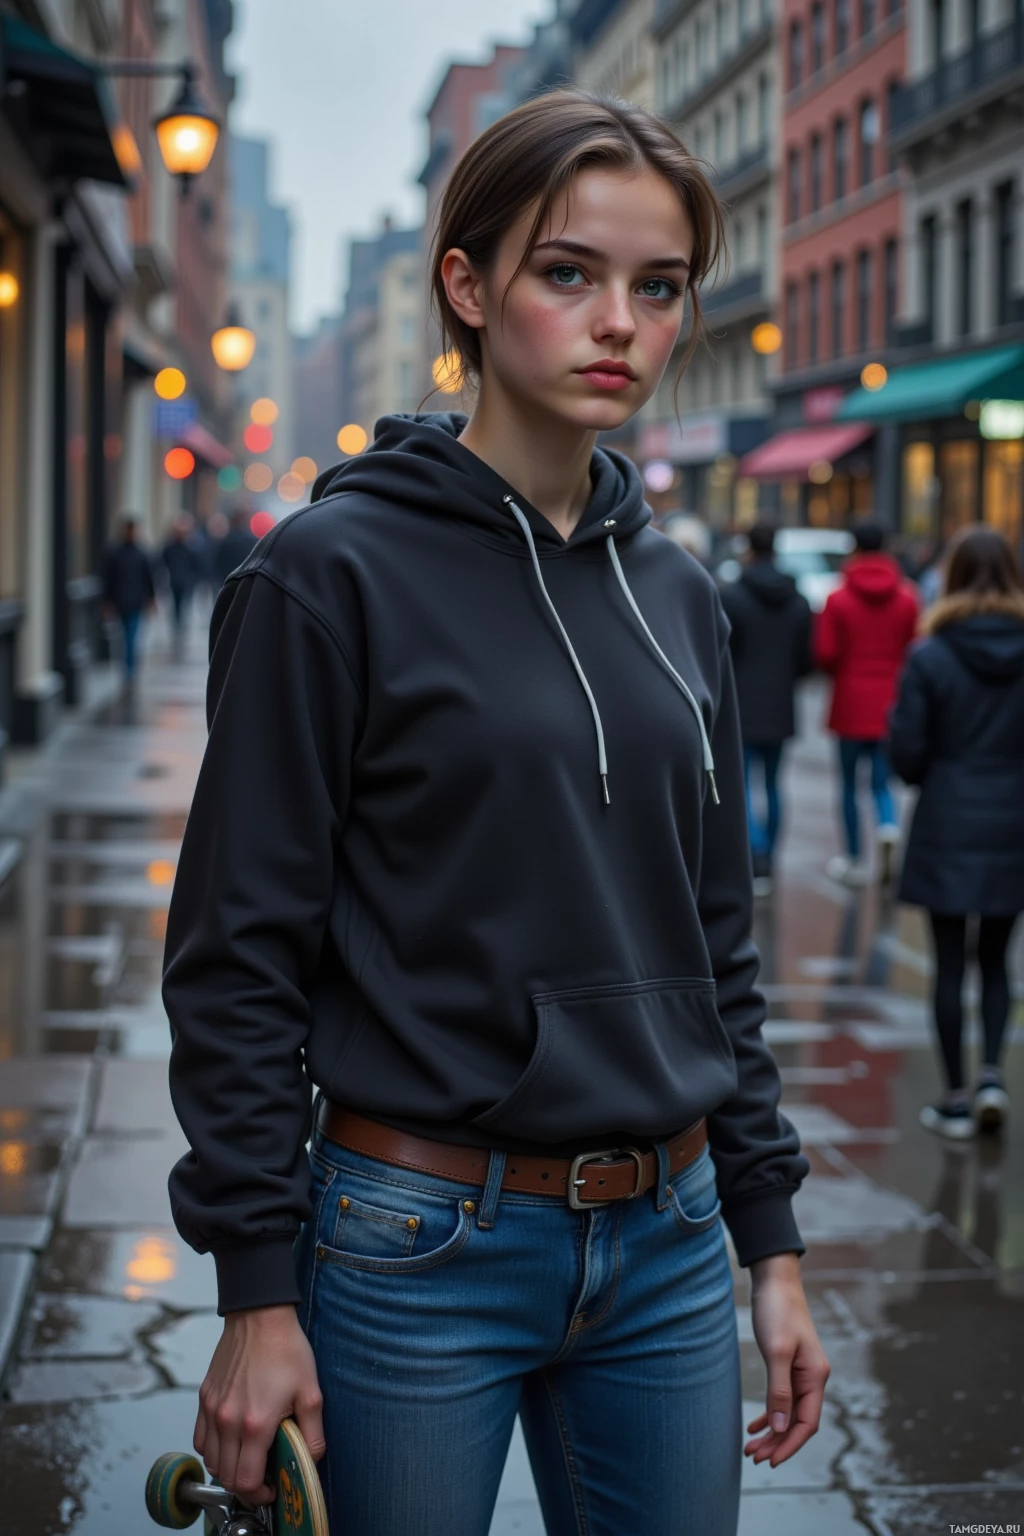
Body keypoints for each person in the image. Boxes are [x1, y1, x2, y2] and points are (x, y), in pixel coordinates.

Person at [162, 90, 828, 1536]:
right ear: (467, 286)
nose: (620, 325)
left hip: (667, 1236)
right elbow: (235, 959)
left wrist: (769, 1244)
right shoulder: (329, 577)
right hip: (414, 1245)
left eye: (658, 288)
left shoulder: (682, 598)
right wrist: (256, 1294)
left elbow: (719, 948)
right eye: (569, 272)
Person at [889, 526, 1024, 1140]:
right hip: (1014, 819)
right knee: (996, 958)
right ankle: (994, 1074)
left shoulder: (932, 654)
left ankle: (954, 1097)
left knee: (949, 964)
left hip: (947, 817)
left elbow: (907, 757)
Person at [815, 521, 918, 886]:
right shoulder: (908, 596)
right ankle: (888, 826)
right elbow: (915, 648)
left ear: (854, 548)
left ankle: (855, 858)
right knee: (880, 781)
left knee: (847, 784)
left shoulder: (838, 597)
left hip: (849, 700)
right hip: (891, 700)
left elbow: (826, 653)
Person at [720, 522, 812, 897]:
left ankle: (755, 854)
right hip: (780, 703)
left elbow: (721, 653)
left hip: (741, 703)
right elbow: (806, 659)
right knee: (774, 785)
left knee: (741, 784)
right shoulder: (798, 599)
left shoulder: (733, 597)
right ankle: (769, 855)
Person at [102, 514, 156, 687]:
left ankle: (129, 668)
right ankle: (128, 666)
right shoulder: (115, 553)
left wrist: (151, 599)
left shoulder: (142, 554)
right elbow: (108, 579)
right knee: (124, 636)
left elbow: (149, 579)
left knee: (130, 635)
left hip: (135, 602)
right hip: (121, 602)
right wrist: (108, 601)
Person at [162, 515, 201, 661]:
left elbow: (197, 565)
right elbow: (163, 562)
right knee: (176, 610)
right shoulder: (170, 547)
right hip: (175, 583)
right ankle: (177, 631)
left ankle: (181, 632)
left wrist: (193, 579)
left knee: (183, 609)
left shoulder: (191, 547)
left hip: (186, 584)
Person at [212, 507, 258, 589]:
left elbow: (218, 562)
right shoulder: (252, 541)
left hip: (227, 580)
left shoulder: (226, 540)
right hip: (245, 579)